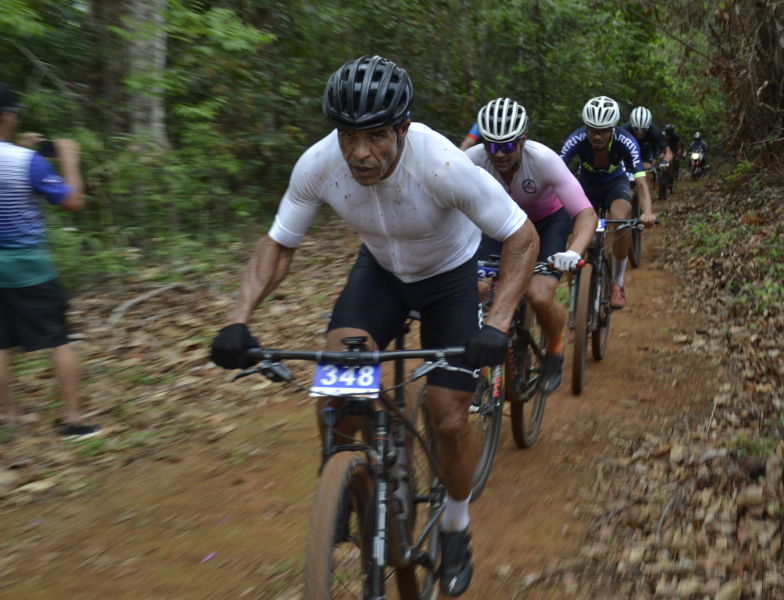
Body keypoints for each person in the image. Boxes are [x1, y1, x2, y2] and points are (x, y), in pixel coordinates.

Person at [209, 56, 539, 597]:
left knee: (449, 416)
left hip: (448, 282)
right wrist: (238, 319)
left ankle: (456, 525)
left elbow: (522, 238)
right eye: (348, 136)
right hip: (380, 275)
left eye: (378, 136)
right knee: (335, 393)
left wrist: (499, 320)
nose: (361, 153)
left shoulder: (443, 165)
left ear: (403, 128)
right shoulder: (319, 164)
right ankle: (344, 488)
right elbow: (279, 243)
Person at [464, 98, 596, 392]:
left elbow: (586, 214)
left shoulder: (544, 160)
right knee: (477, 288)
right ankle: (482, 367)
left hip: (548, 222)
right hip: (501, 226)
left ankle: (555, 347)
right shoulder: (472, 159)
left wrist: (573, 252)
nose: (499, 154)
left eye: (507, 145)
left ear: (523, 139)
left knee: (539, 295)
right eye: (492, 145)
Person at [0, 83, 100, 439]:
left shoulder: (20, 158)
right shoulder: (28, 162)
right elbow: (72, 202)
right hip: (27, 266)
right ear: (9, 116)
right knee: (58, 337)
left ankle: (8, 415)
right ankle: (73, 420)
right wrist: (70, 162)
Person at [560, 96, 656, 310]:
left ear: (613, 128)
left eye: (603, 131)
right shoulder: (575, 140)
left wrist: (648, 211)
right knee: (572, 239)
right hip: (586, 184)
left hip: (615, 182)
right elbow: (555, 174)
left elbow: (641, 183)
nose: (596, 136)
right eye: (592, 129)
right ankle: (576, 299)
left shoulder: (626, 140)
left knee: (621, 219)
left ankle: (617, 284)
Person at [621, 106, 673, 172]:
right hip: (628, 154)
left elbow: (668, 152)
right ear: (632, 125)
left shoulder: (654, 131)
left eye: (643, 129)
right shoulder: (624, 130)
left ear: (647, 126)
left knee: (645, 173)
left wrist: (665, 161)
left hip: (645, 152)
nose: (640, 132)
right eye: (636, 128)